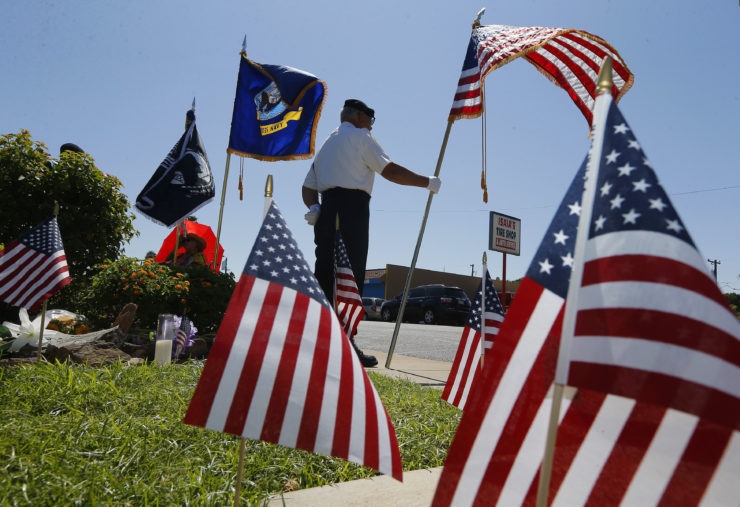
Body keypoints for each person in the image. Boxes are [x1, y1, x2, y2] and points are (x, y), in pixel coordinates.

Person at [302, 99, 442, 367]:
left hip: (328, 212)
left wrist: (315, 206)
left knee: (325, 274)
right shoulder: (361, 137)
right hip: (352, 212)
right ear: (358, 116)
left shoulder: (328, 144)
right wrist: (427, 182)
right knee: (349, 276)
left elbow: (308, 186)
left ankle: (321, 340)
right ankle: (345, 344)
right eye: (369, 118)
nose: (370, 123)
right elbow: (389, 170)